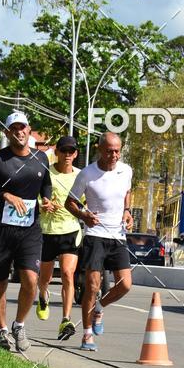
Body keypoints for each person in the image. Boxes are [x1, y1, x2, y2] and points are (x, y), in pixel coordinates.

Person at [0, 111, 54, 352]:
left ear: (29, 130)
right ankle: (2, 330)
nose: (19, 132)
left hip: (29, 230)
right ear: (7, 133)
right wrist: (4, 195)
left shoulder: (41, 158)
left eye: (23, 127)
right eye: (14, 128)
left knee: (30, 279)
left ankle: (19, 325)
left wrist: (46, 199)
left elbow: (46, 183)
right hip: (1, 229)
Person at [65, 131, 133, 351]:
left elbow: (127, 191)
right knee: (92, 286)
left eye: (117, 151)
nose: (114, 156)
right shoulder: (87, 174)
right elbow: (70, 202)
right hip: (95, 236)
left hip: (118, 235)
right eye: (109, 151)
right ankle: (87, 335)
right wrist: (84, 216)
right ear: (100, 149)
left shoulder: (126, 171)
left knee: (125, 284)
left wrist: (127, 211)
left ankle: (99, 308)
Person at [36, 135, 83, 340]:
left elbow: (85, 202)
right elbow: (35, 197)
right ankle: (42, 295)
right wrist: (43, 205)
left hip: (70, 230)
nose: (67, 155)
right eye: (63, 150)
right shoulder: (46, 173)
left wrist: (84, 211)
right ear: (56, 152)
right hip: (47, 230)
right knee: (45, 278)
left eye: (71, 151)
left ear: (76, 154)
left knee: (67, 273)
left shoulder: (81, 176)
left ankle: (66, 319)